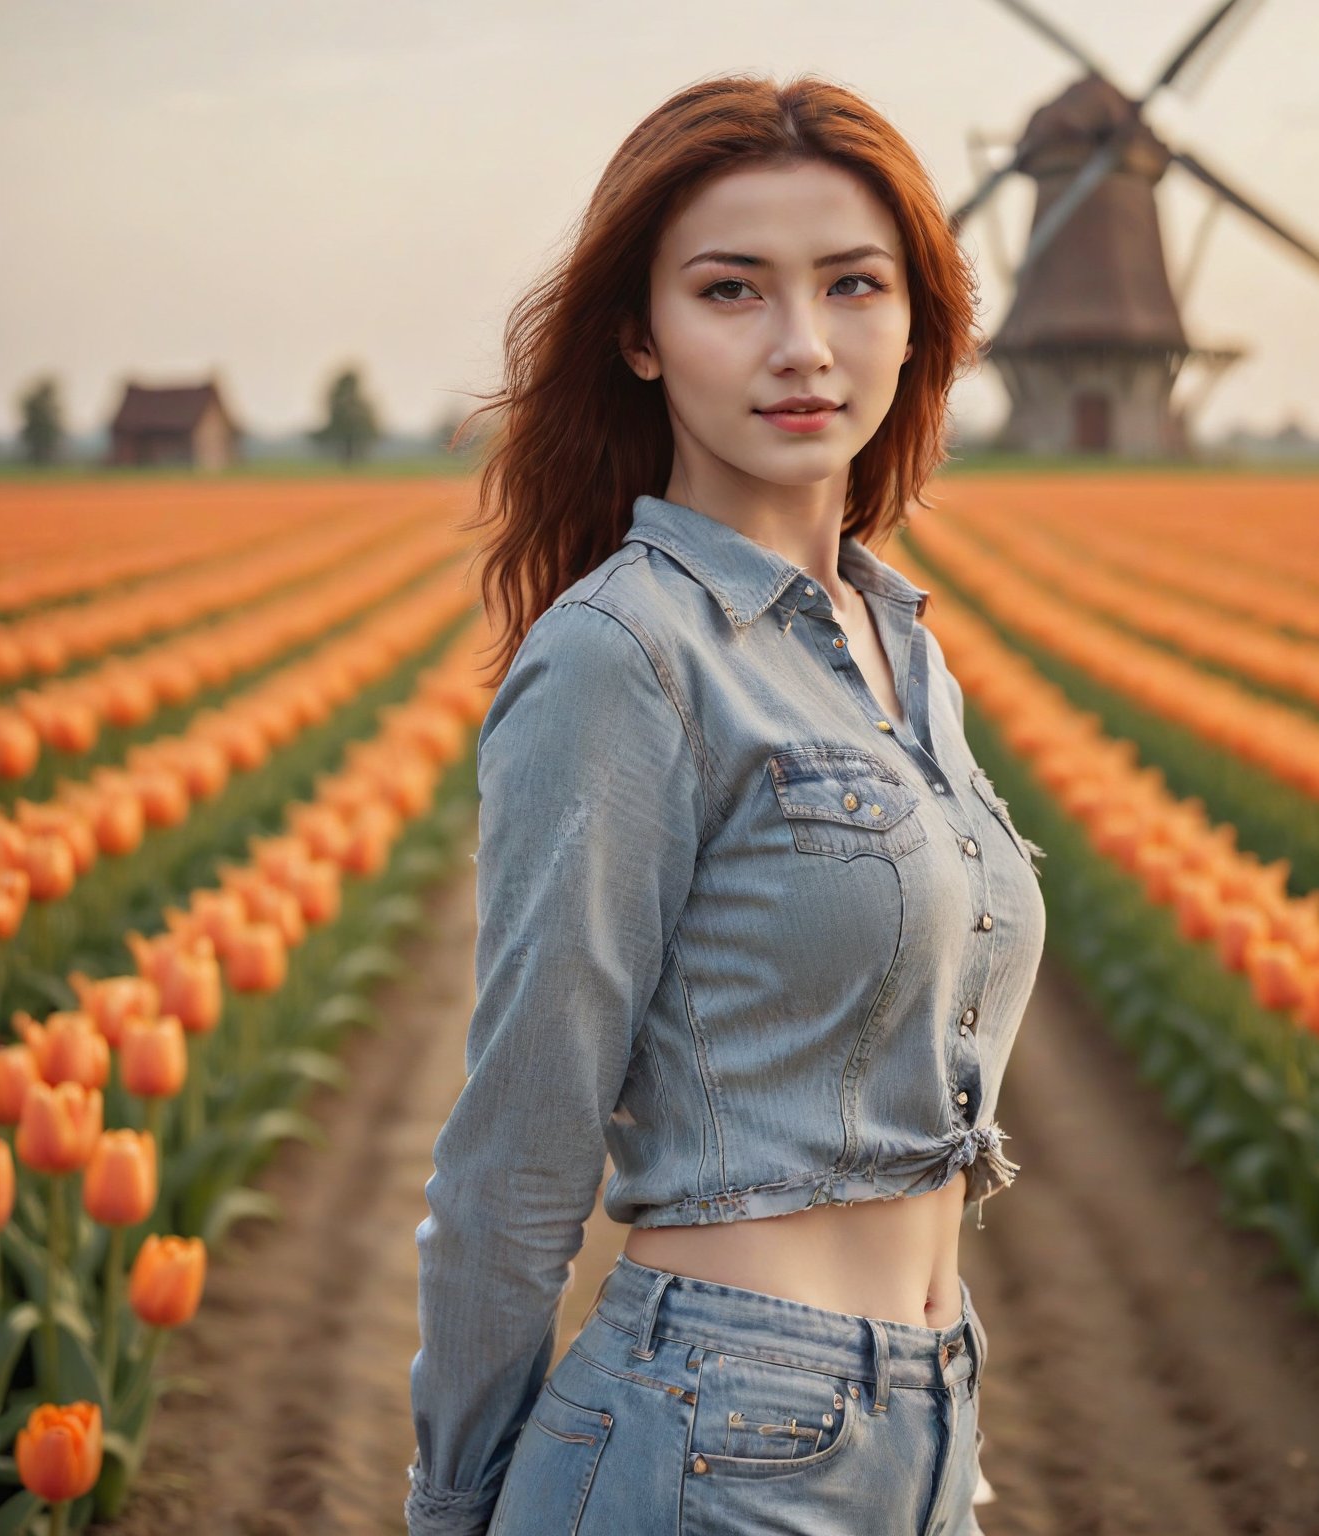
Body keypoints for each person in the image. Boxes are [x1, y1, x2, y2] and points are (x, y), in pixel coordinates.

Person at [406, 70, 1047, 1536]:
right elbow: (517, 1140)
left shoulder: (902, 642)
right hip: (711, 1439)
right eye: (731, 290)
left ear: (917, 319)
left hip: (929, 1416)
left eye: (854, 285)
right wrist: (452, 1507)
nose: (804, 346)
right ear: (640, 334)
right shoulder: (623, 656)